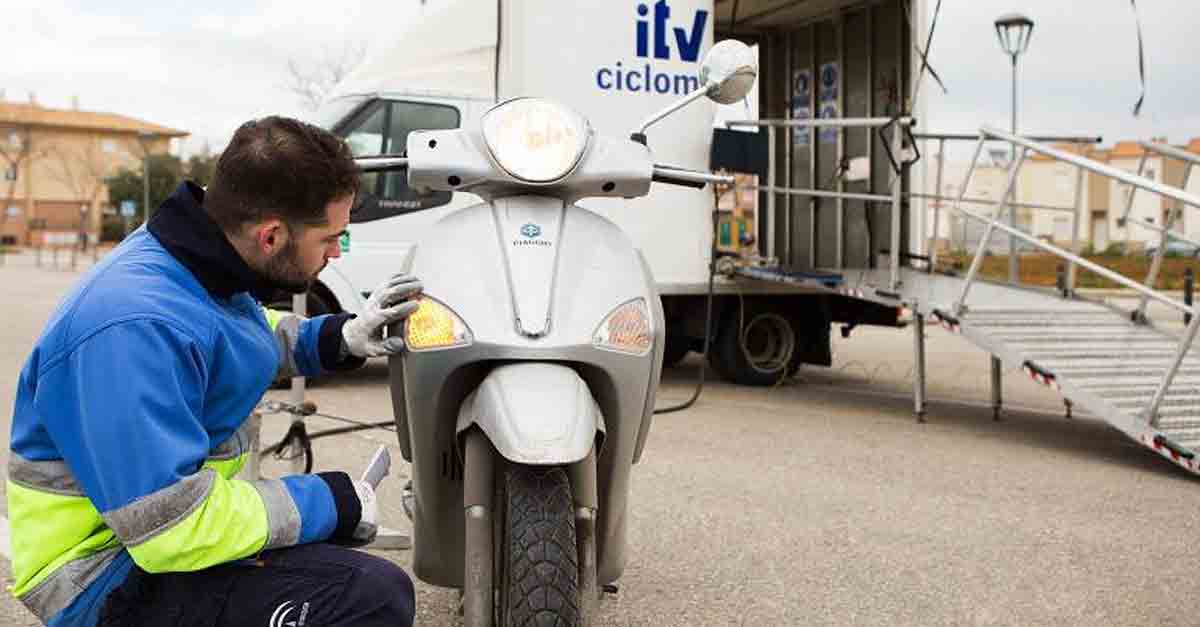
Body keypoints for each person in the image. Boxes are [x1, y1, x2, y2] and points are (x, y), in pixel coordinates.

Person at [8, 116, 420, 626]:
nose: (336, 251)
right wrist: (329, 501)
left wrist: (341, 337)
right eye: (331, 237)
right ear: (272, 236)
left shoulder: (197, 267)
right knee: (369, 596)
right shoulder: (129, 329)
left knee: (349, 574)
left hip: (145, 542)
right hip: (99, 575)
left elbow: (235, 338)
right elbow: (170, 528)